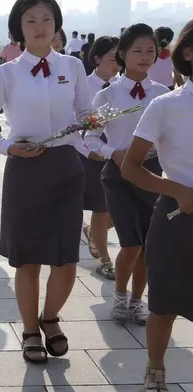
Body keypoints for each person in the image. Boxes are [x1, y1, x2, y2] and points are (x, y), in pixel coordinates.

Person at [0, 0, 94, 364]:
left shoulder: (73, 66)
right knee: (27, 259)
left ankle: (50, 318)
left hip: (65, 168)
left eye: (47, 19)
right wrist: (7, 147)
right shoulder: (7, 73)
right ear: (19, 28)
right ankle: (30, 330)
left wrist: (93, 123)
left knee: (65, 259)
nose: (40, 26)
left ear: (57, 25)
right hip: (25, 169)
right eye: (31, 20)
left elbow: (85, 113)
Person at [121, 20, 193, 392]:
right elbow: (130, 167)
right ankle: (156, 370)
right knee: (164, 305)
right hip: (177, 217)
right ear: (188, 53)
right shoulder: (166, 105)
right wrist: (176, 189)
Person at [84, 23, 170, 326]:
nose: (144, 56)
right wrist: (114, 153)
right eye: (137, 51)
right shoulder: (107, 96)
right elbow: (90, 137)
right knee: (131, 243)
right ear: (122, 54)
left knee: (147, 245)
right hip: (118, 175)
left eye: (150, 51)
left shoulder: (162, 95)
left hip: (152, 175)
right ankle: (119, 296)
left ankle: (137, 301)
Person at [82, 36, 120, 281]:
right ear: (97, 59)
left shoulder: (123, 87)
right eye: (112, 59)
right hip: (92, 154)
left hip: (119, 155)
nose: (117, 64)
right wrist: (89, 151)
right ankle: (105, 259)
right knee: (100, 206)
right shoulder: (82, 86)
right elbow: (74, 126)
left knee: (118, 208)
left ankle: (93, 233)